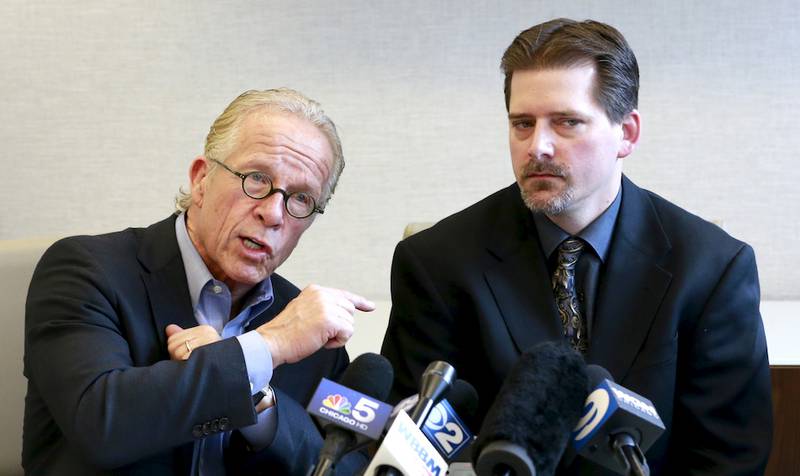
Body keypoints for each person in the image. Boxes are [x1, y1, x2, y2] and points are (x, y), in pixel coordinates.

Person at [381, 19, 772, 475]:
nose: (537, 147)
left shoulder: (712, 268)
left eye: (566, 122)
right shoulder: (436, 263)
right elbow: (418, 452)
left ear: (627, 133)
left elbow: (727, 460)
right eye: (522, 124)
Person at [22, 88, 375, 475]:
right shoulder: (85, 270)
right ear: (201, 179)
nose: (274, 213)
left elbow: (350, 465)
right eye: (257, 179)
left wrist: (258, 393)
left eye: (301, 199)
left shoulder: (312, 335)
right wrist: (267, 346)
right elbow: (100, 424)